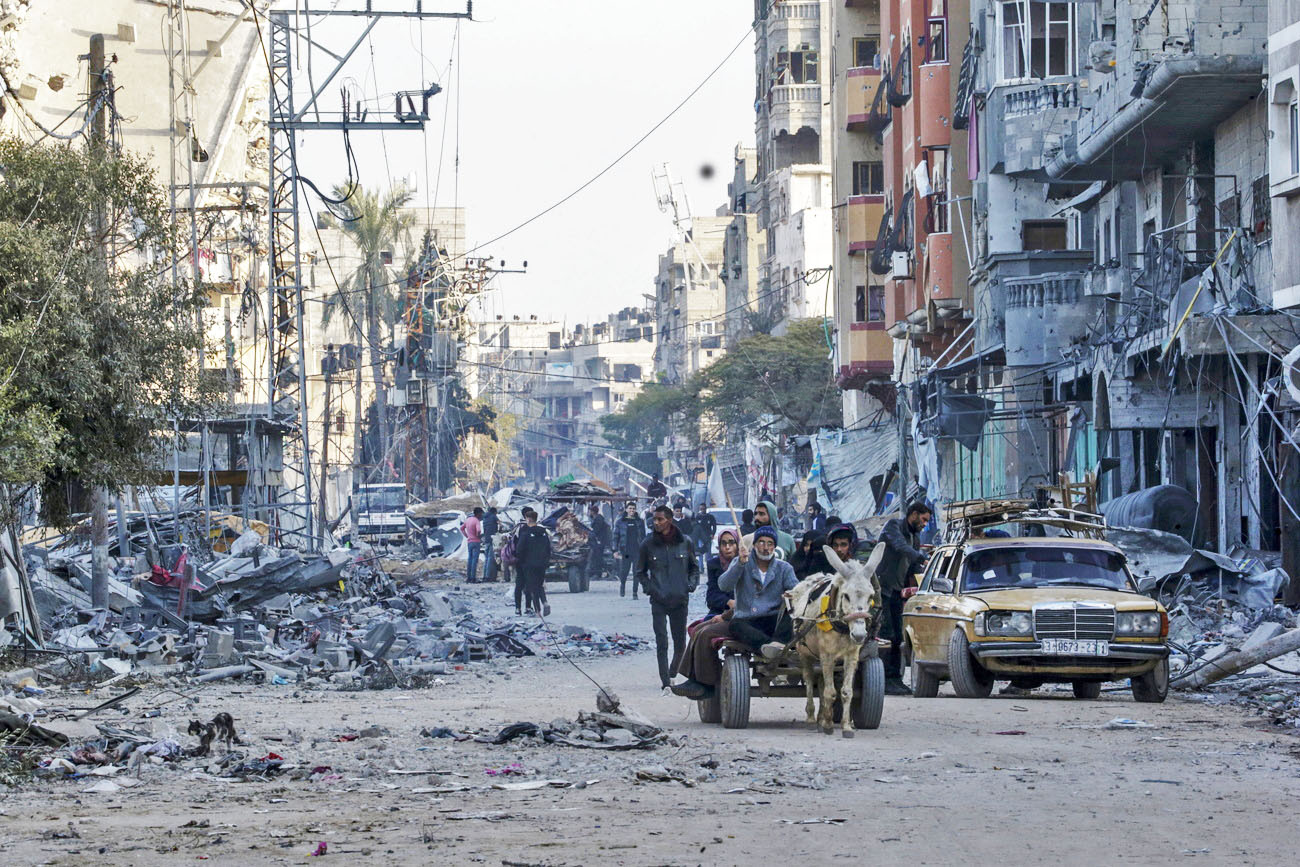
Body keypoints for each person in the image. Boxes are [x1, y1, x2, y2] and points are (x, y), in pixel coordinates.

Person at [670, 529, 740, 699]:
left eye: (731, 543)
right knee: (696, 629)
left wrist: (730, 609)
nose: (728, 547)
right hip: (719, 610)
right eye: (724, 543)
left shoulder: (744, 564)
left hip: (737, 614)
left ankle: (705, 682)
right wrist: (727, 602)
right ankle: (695, 679)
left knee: (704, 632)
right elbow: (712, 596)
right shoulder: (715, 563)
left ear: (738, 545)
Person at [636, 505, 700, 690]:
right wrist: (650, 589)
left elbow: (694, 568)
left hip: (680, 600)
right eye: (654, 519)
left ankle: (673, 673)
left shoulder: (685, 542)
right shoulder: (647, 545)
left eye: (660, 519)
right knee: (661, 641)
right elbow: (640, 572)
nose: (656, 523)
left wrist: (690, 585)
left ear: (670, 520)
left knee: (680, 642)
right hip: (658, 600)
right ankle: (665, 681)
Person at [717, 527, 798, 658]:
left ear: (775, 547)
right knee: (735, 625)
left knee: (791, 615)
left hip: (773, 620)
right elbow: (724, 585)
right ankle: (772, 648)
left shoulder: (784, 568)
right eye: (761, 542)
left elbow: (796, 592)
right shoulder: (741, 563)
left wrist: (790, 595)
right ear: (754, 545)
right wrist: (739, 564)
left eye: (770, 543)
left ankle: (777, 646)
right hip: (747, 620)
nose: (765, 547)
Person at [879, 502, 932, 695]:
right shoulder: (893, 527)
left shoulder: (915, 538)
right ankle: (882, 678)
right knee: (886, 635)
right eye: (924, 519)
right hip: (881, 590)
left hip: (896, 592)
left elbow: (912, 566)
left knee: (898, 637)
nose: (925, 524)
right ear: (914, 514)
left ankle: (894, 678)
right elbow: (900, 547)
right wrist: (922, 558)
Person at [514, 507, 552, 616]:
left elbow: (519, 549)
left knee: (530, 586)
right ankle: (544, 602)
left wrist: (520, 560)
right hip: (542, 563)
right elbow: (548, 548)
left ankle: (537, 610)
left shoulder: (524, 532)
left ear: (528, 519)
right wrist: (546, 561)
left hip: (528, 564)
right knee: (539, 584)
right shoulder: (544, 532)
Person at [612, 501, 644, 599]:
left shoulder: (639, 521)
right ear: (626, 509)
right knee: (624, 570)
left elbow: (643, 536)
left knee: (636, 572)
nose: (632, 510)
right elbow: (615, 536)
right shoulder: (620, 521)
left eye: (633, 509)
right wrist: (615, 550)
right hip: (625, 551)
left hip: (637, 551)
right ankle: (622, 585)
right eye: (630, 508)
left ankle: (635, 592)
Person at [586, 504, 611, 582]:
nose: (588, 513)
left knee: (597, 557)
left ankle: (598, 573)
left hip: (600, 541)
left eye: (589, 511)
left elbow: (596, 531)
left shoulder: (598, 519)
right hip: (599, 541)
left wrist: (588, 534)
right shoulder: (596, 519)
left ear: (592, 512)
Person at [461, 507, 484, 583]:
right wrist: (478, 536)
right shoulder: (476, 521)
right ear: (478, 513)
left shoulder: (468, 520)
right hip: (476, 542)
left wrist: (467, 536)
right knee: (475, 560)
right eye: (481, 513)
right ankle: (473, 578)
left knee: (470, 559)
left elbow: (462, 528)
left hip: (469, 542)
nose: (481, 515)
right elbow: (479, 530)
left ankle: (468, 577)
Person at [692, 502, 716, 570]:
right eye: (700, 509)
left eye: (703, 509)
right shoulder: (697, 517)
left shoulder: (710, 517)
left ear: (706, 509)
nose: (702, 510)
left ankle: (709, 567)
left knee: (708, 553)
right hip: (699, 538)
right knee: (700, 552)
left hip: (708, 537)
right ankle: (700, 568)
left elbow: (714, 526)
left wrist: (713, 534)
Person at [481, 506, 500, 582]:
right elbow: (500, 523)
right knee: (490, 558)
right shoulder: (493, 516)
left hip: (486, 539)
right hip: (493, 539)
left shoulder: (485, 518)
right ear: (494, 512)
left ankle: (485, 575)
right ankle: (489, 577)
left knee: (486, 558)